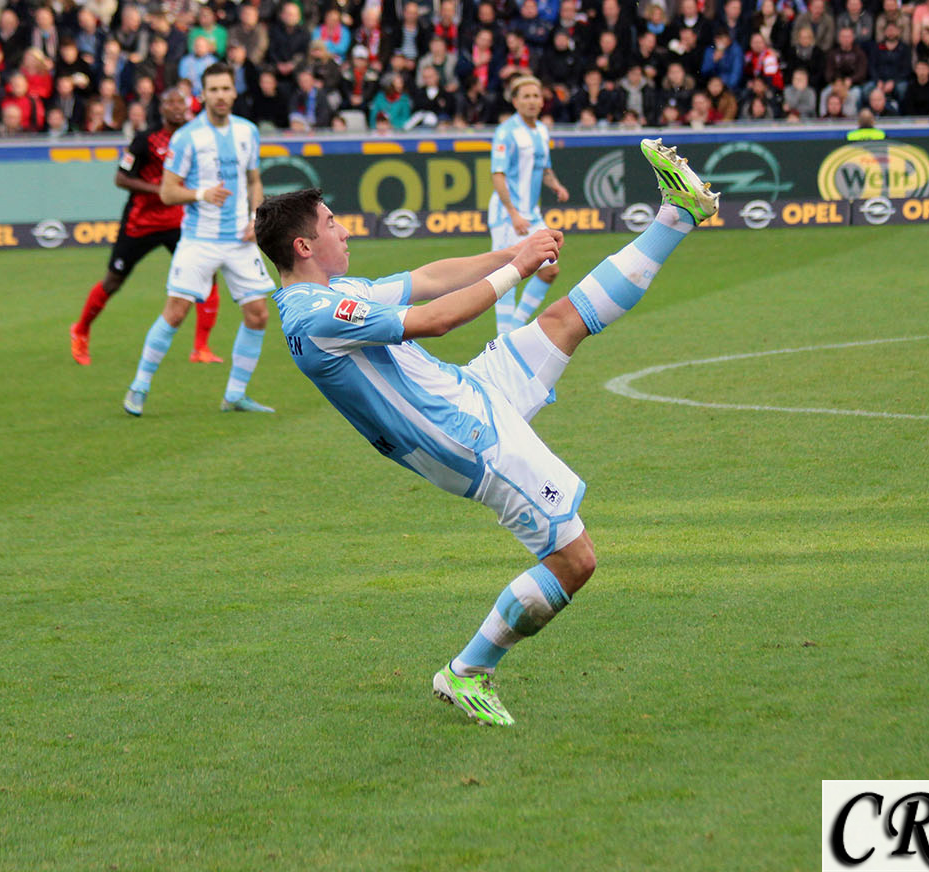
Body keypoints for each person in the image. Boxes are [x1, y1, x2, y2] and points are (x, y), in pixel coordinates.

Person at [254, 139, 719, 726]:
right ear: (303, 246)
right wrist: (517, 269)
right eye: (330, 223)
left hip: (470, 391)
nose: (343, 231)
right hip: (466, 437)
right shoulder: (312, 314)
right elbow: (436, 318)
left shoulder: (333, 292)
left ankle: (677, 215)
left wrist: (513, 251)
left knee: (564, 319)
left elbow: (428, 278)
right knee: (575, 560)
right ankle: (469, 669)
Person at [122, 63, 272, 416]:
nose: (220, 96)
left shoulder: (248, 131)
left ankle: (235, 395)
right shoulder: (187, 137)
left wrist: (256, 218)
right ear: (202, 95)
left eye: (225, 89)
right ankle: (139, 387)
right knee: (175, 313)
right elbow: (167, 192)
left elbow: (254, 180)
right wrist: (202, 193)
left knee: (258, 315)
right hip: (199, 239)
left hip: (239, 239)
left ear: (234, 92)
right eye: (213, 90)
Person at [70, 88, 222, 366]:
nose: (176, 107)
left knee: (207, 275)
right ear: (161, 109)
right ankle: (80, 330)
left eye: (180, 102)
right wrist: (160, 190)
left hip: (178, 221)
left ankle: (201, 347)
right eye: (170, 102)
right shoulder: (145, 140)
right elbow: (121, 178)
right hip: (141, 222)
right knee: (113, 281)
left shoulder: (194, 138)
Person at [487, 74, 570, 335]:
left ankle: (515, 328)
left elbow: (544, 168)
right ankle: (503, 337)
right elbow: (497, 174)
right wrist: (513, 213)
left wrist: (556, 185)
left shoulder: (542, 130)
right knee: (507, 275)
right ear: (515, 101)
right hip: (507, 215)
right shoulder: (506, 132)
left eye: (536, 96)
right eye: (526, 96)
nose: (532, 101)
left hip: (531, 214)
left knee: (549, 270)